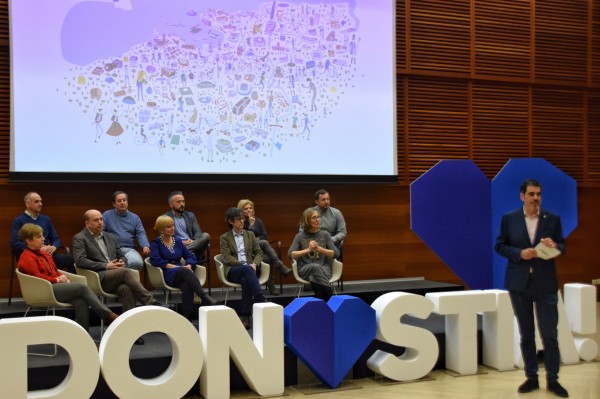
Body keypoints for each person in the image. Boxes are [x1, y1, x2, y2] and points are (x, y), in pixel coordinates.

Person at [495, 179, 568, 398]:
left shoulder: (552, 219)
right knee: (526, 334)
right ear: (522, 196)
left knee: (550, 335)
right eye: (531, 194)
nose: (535, 198)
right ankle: (531, 377)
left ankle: (553, 380)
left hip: (545, 284)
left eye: (538, 194)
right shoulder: (510, 218)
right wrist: (519, 254)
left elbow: (562, 246)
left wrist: (555, 246)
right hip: (519, 284)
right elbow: (500, 245)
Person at [73, 210, 174, 344]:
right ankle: (151, 302)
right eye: (96, 220)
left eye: (101, 219)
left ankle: (130, 331)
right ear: (87, 223)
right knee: (127, 272)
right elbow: (80, 261)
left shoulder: (109, 237)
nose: (100, 222)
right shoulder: (80, 238)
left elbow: (122, 256)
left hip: (115, 275)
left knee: (126, 289)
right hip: (97, 278)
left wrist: (121, 263)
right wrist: (106, 265)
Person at [18, 223, 118, 332]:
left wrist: (61, 276)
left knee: (80, 301)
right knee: (81, 287)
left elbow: (54, 271)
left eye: (42, 235)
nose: (43, 239)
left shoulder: (44, 253)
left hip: (54, 286)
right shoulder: (27, 257)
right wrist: (56, 280)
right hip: (42, 290)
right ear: (28, 240)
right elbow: (37, 277)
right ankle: (108, 315)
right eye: (38, 237)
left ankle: (82, 335)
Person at [149, 215, 218, 321]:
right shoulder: (156, 243)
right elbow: (155, 260)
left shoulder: (177, 241)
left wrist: (189, 265)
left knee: (186, 285)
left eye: (173, 225)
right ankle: (204, 297)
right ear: (161, 229)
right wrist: (173, 266)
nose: (172, 228)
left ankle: (186, 317)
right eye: (169, 226)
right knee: (184, 271)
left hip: (181, 273)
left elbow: (190, 256)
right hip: (167, 273)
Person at [219, 207, 266, 329]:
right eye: (238, 219)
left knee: (246, 279)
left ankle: (245, 317)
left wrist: (255, 264)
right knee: (246, 270)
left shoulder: (250, 234)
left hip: (250, 270)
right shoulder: (224, 237)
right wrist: (245, 265)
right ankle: (260, 298)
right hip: (233, 270)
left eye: (242, 218)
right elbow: (227, 258)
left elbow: (259, 253)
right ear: (231, 222)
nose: (242, 221)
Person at [237, 199, 292, 295]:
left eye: (250, 208)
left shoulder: (258, 221)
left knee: (267, 258)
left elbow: (264, 235)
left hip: (260, 250)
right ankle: (279, 265)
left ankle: (271, 284)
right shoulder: (240, 223)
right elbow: (246, 239)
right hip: (247, 251)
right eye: (246, 209)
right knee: (264, 242)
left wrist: (255, 239)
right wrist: (251, 225)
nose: (249, 210)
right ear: (241, 210)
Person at [11, 192, 75, 273]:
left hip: (48, 255)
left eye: (41, 201)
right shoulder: (19, 220)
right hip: (30, 257)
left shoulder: (46, 219)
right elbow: (14, 243)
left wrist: (53, 247)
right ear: (27, 204)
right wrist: (38, 248)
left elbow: (56, 239)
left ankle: (70, 284)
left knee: (72, 259)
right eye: (36, 201)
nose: (40, 204)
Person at [289, 207, 336, 301]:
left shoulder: (325, 234)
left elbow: (335, 254)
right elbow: (290, 254)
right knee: (314, 267)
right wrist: (308, 249)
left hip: (323, 270)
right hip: (305, 269)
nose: (317, 220)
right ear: (307, 220)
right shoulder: (300, 236)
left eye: (318, 217)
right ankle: (331, 297)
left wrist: (319, 248)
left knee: (314, 277)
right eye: (314, 218)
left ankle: (321, 302)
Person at [102, 191, 149, 271]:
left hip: (129, 248)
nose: (122, 203)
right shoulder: (106, 215)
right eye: (119, 201)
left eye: (124, 200)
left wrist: (145, 245)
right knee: (114, 265)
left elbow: (140, 233)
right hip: (111, 249)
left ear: (127, 202)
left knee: (137, 263)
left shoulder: (135, 217)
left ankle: (124, 279)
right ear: (114, 204)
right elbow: (100, 231)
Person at [164, 191, 210, 263]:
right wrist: (181, 242)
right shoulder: (165, 218)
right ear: (171, 205)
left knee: (206, 236)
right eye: (178, 202)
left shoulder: (190, 215)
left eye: (183, 201)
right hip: (177, 246)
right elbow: (164, 237)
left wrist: (193, 241)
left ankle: (183, 253)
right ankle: (187, 255)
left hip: (192, 245)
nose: (182, 204)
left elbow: (198, 231)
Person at [312, 189, 347, 258]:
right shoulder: (309, 213)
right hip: (314, 243)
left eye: (328, 199)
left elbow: (343, 232)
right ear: (316, 201)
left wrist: (330, 240)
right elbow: (302, 231)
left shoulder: (336, 213)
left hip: (331, 243)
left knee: (331, 254)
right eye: (323, 200)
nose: (326, 202)